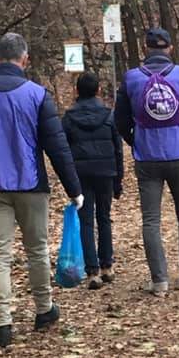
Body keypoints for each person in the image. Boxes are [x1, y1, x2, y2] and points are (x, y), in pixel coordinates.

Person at [0, 33, 82, 348]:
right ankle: (43, 309)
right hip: (31, 185)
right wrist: (74, 188)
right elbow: (56, 146)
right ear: (25, 60)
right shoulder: (37, 94)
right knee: (36, 249)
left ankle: (2, 324)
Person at [114, 27, 179, 296]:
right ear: (169, 48)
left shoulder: (131, 78)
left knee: (151, 220)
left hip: (147, 158)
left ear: (146, 49)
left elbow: (119, 120)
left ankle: (159, 280)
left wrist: (134, 140)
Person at [62, 71, 124, 289]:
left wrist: (68, 181)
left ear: (77, 91)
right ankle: (108, 265)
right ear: (98, 90)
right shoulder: (109, 115)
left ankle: (92, 272)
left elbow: (64, 151)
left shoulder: (69, 118)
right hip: (106, 172)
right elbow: (118, 150)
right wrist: (119, 180)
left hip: (81, 174)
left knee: (86, 221)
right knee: (104, 218)